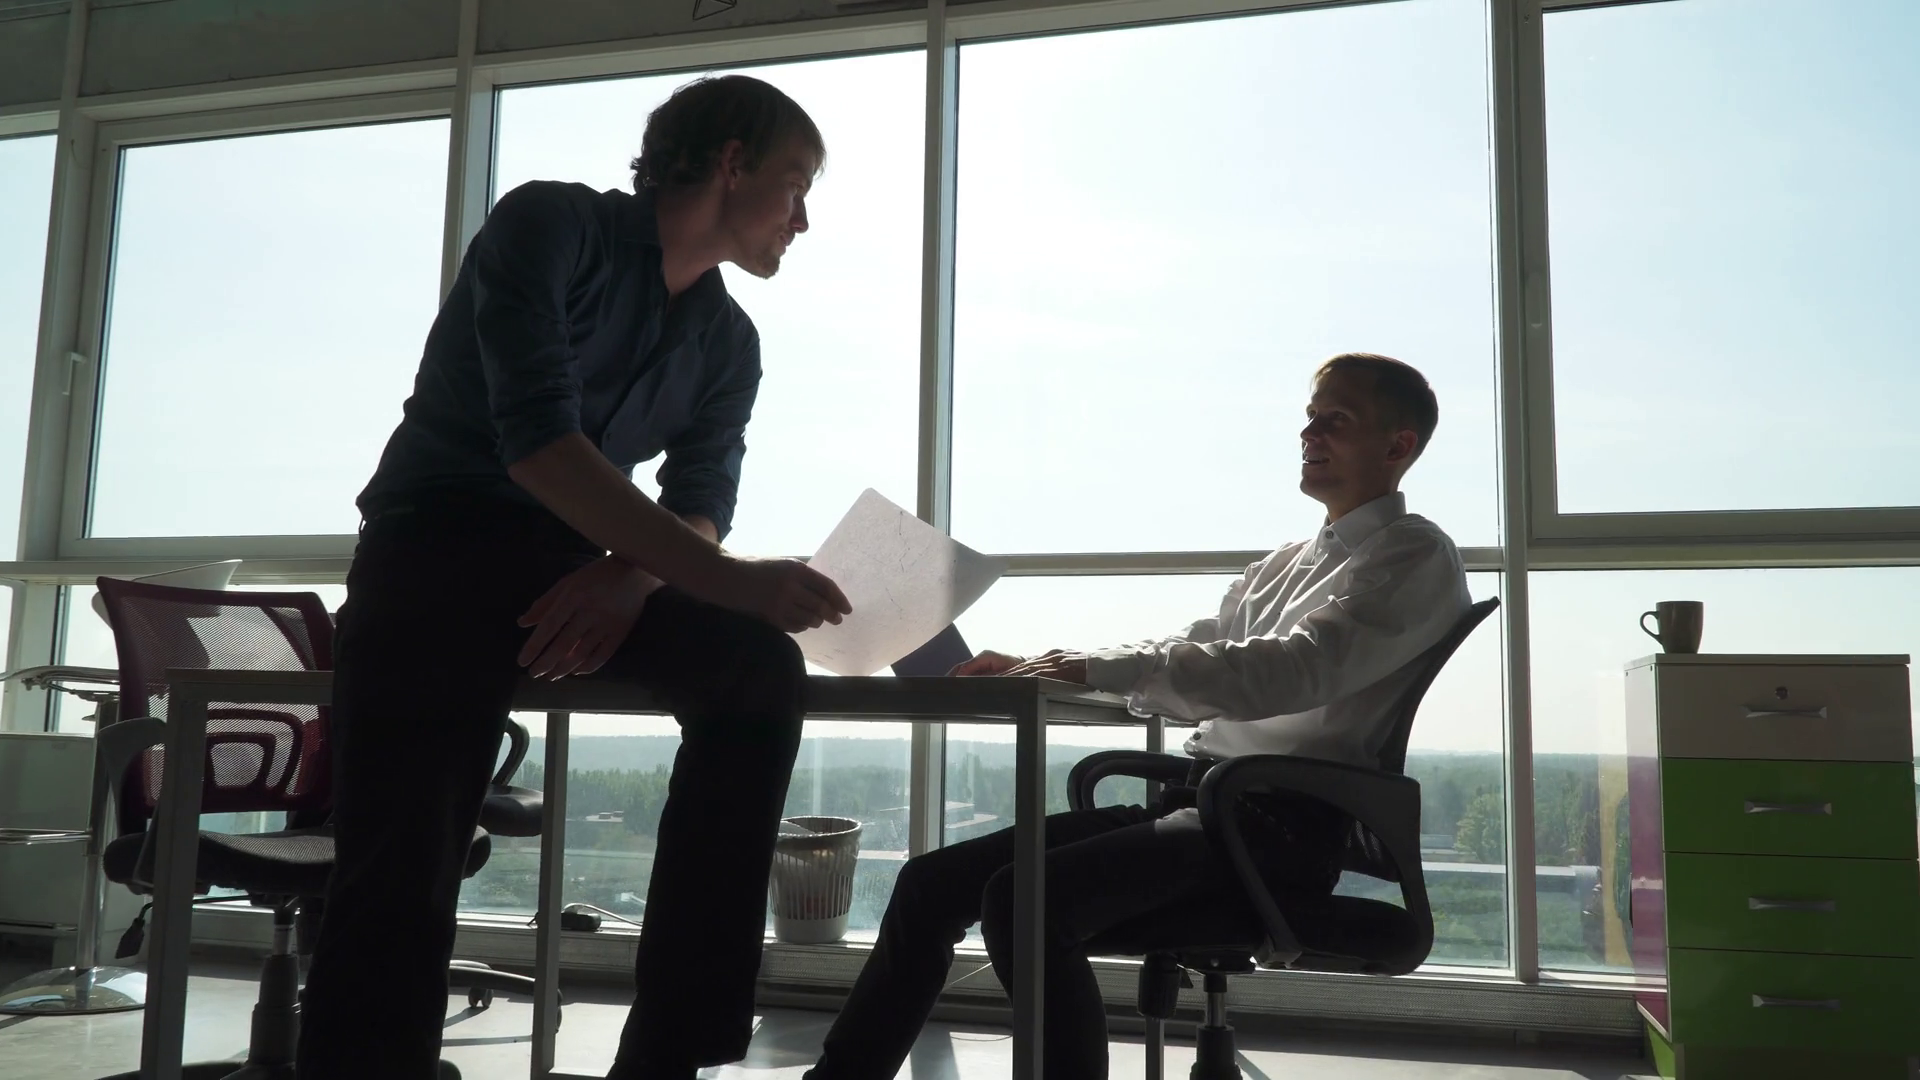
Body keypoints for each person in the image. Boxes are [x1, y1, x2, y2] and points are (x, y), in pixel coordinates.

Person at [295, 75, 853, 1080]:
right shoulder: (549, 225)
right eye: (796, 184)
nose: (804, 220)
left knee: (756, 669)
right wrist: (724, 580)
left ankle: (670, 1056)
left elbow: (702, 499)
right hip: (435, 552)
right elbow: (541, 445)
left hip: (582, 562)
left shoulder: (729, 341)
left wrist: (630, 576)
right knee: (402, 859)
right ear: (732, 163)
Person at [805, 352, 1472, 1080]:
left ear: (1398, 445)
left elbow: (1293, 668)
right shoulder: (1283, 564)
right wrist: (1048, 662)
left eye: (1334, 420)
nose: (1309, 433)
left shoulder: (1413, 554)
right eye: (1310, 418)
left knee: (1025, 903)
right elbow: (1194, 648)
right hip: (1204, 806)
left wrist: (1096, 669)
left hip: (1278, 832)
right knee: (929, 885)